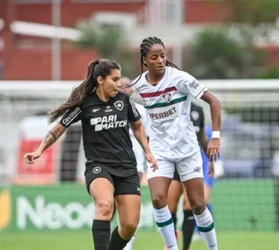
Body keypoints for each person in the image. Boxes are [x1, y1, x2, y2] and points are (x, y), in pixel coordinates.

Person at [23, 59, 157, 250]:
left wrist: (148, 151)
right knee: (104, 205)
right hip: (99, 166)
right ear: (101, 80)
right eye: (115, 79)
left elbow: (137, 126)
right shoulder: (85, 104)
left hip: (127, 167)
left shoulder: (124, 100)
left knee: (129, 226)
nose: (119, 84)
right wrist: (40, 149)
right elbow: (59, 128)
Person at [129, 37, 221, 250]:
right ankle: (172, 247)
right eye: (154, 57)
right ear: (145, 60)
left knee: (198, 205)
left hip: (188, 151)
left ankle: (213, 248)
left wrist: (215, 136)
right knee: (158, 199)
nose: (160, 60)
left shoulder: (180, 78)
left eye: (163, 55)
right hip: (160, 152)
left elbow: (214, 101)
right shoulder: (139, 86)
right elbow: (121, 96)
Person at [165, 102, 214, 250]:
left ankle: (186, 247)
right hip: (172, 163)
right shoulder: (168, 108)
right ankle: (171, 244)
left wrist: (210, 159)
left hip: (192, 164)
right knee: (169, 209)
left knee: (189, 205)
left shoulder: (198, 110)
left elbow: (202, 137)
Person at [120, 76, 149, 250]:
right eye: (119, 85)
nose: (123, 88)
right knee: (111, 204)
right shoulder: (108, 109)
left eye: (126, 86)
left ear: (131, 89)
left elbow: (146, 136)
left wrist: (149, 157)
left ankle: (128, 244)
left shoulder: (140, 110)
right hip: (113, 162)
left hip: (135, 163)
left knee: (129, 205)